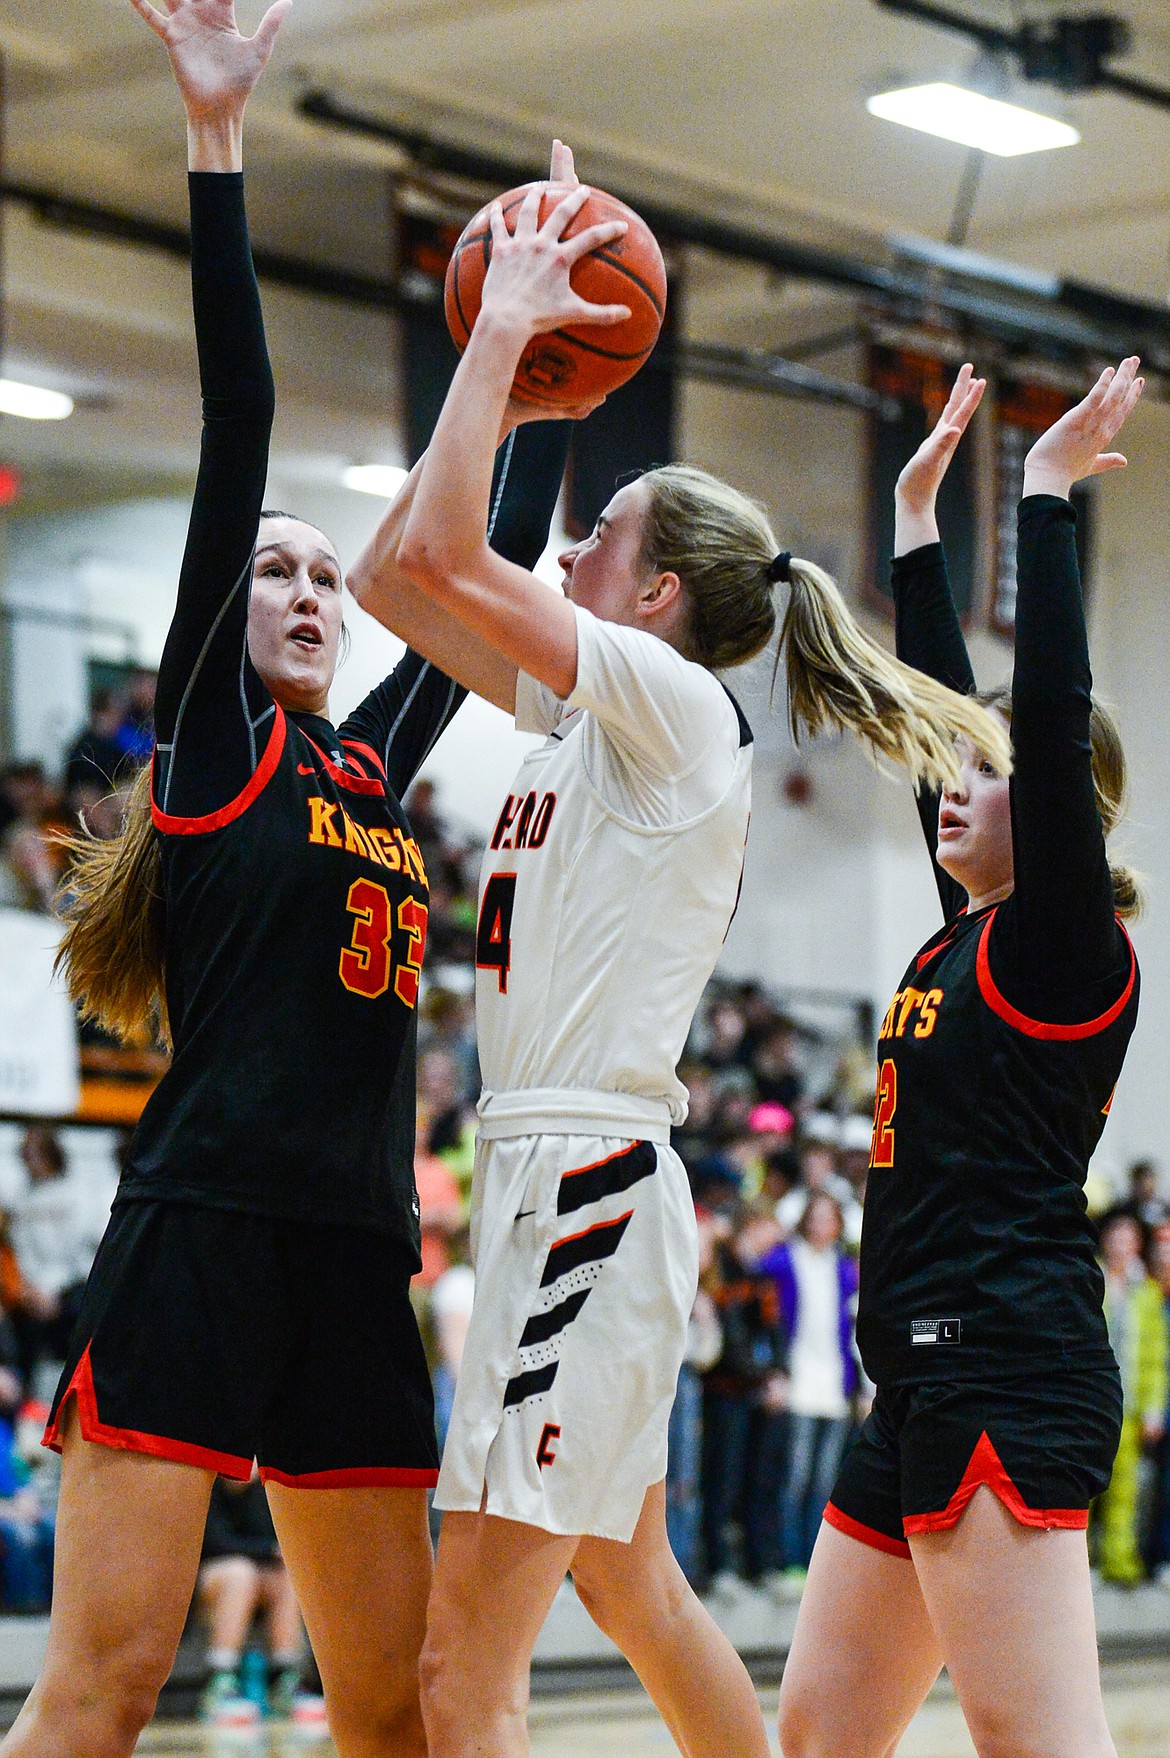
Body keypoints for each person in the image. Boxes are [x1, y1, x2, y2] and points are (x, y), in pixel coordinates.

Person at [348, 155, 1008, 1758]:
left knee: (462, 1677)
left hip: (578, 1181)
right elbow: (390, 575)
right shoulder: (579, 711)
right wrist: (544, 355)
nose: (563, 550)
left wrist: (507, 342)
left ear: (652, 594)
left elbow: (442, 553)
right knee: (633, 1583)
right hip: (560, 1180)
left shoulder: (662, 701)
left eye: (596, 540)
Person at [0, 7, 566, 1758]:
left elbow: (496, 556)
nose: (317, 589)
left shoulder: (371, 763)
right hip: (198, 1236)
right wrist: (218, 140)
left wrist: (542, 366)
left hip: (354, 1258)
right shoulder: (221, 742)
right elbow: (240, 414)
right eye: (282, 572)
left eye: (334, 573)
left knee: (387, 1707)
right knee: (100, 1688)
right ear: (223, 626)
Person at [778, 360, 1144, 1758]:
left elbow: (1041, 716)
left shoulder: (1063, 945)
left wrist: (1040, 500)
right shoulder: (968, 933)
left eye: (984, 773)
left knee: (1034, 1744)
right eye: (951, 764)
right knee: (819, 1734)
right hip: (914, 1378)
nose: (951, 780)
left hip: (1007, 1363)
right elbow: (952, 709)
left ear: (1061, 813)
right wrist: (914, 523)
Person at [761, 1191, 858, 1583]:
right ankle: (790, 1560)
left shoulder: (844, 1269)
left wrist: (861, 1385)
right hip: (798, 1379)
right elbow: (765, 1308)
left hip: (834, 1382)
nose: (822, 1225)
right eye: (815, 1217)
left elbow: (851, 1329)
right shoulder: (786, 1260)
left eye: (829, 1218)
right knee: (795, 1478)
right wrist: (775, 1372)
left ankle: (819, 1565)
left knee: (825, 1482)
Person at [1096, 1210, 1167, 1584]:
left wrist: (1154, 1409)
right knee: (1084, 1489)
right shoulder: (1090, 1280)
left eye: (1129, 1237)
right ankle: (1084, 1563)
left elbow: (1157, 1358)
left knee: (1125, 1489)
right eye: (1115, 1236)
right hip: (1090, 1407)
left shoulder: (1148, 1293)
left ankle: (1118, 1560)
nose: (1122, 1243)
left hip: (1129, 1407)